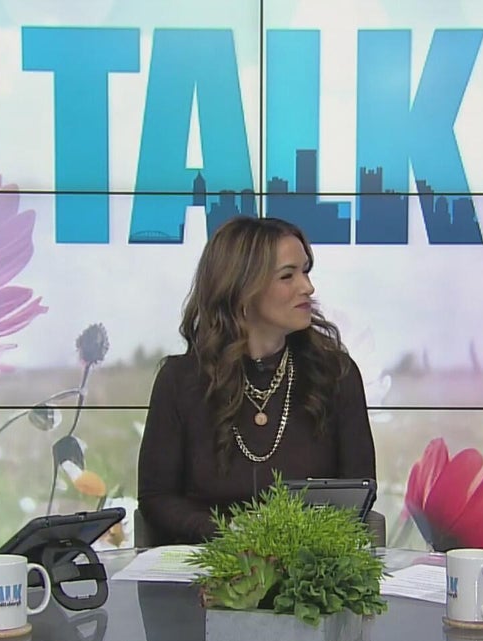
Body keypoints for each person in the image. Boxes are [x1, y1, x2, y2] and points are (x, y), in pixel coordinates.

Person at [137, 216, 376, 544]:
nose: (307, 287)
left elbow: (359, 490)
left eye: (305, 271)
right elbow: (157, 498)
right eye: (287, 275)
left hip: (308, 561)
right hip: (207, 561)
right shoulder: (180, 380)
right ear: (241, 288)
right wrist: (228, 533)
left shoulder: (336, 374)